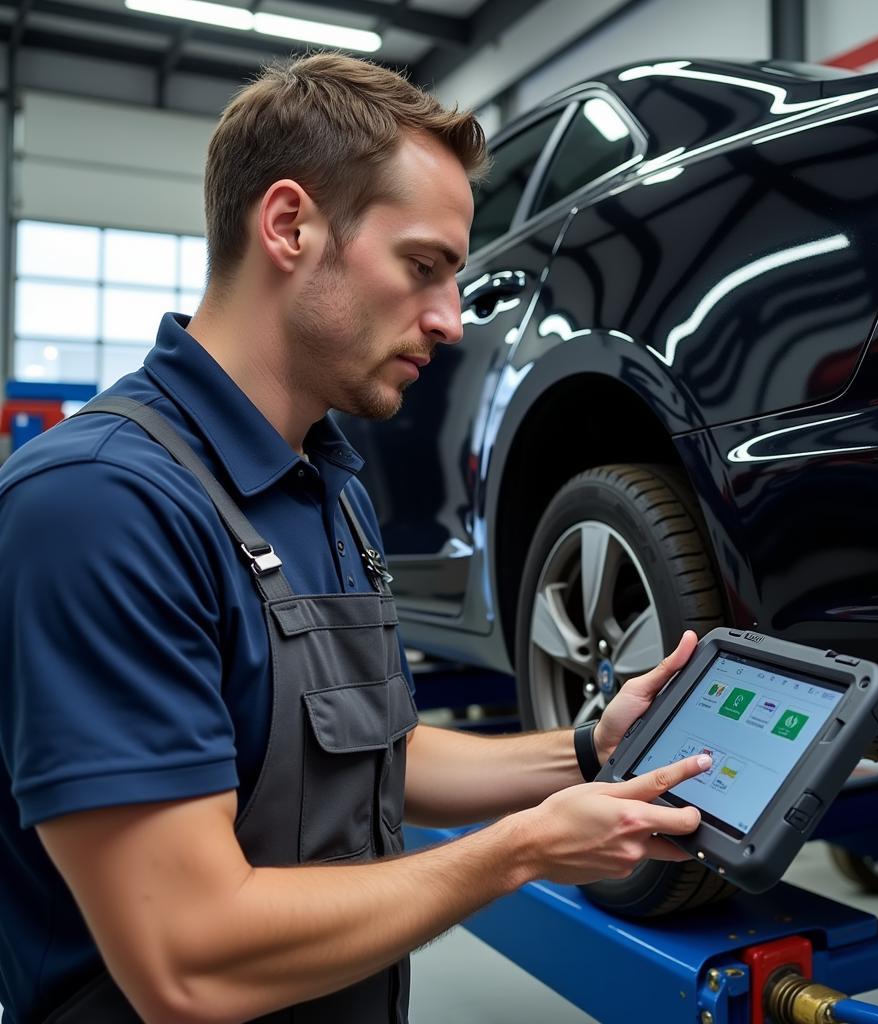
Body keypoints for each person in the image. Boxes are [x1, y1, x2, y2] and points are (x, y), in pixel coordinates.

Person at [0, 53, 709, 1024]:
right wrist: (523, 848)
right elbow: (188, 960)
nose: (450, 320)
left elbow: (378, 750)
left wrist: (588, 747)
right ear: (289, 226)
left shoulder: (327, 484)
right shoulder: (99, 505)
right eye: (423, 267)